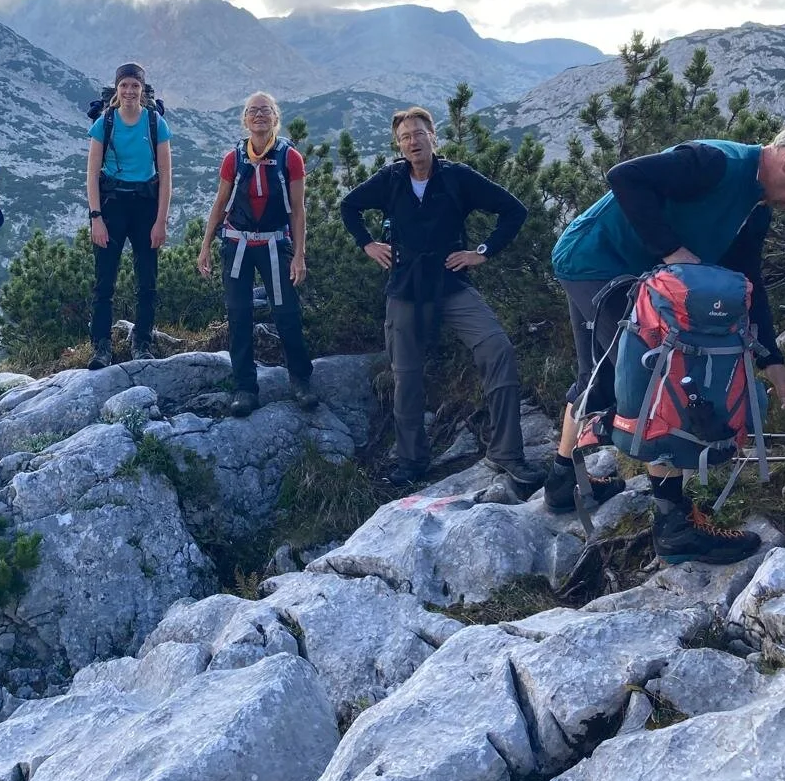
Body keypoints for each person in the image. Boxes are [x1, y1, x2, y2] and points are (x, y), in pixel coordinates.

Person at [547, 121, 785, 564]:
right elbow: (625, 177)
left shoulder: (755, 207)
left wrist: (772, 359)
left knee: (597, 376)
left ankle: (562, 482)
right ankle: (674, 526)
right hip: (596, 262)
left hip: (618, 268)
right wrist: (672, 251)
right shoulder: (715, 162)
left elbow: (749, 281)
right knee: (659, 373)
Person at [340, 106, 546, 492]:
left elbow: (513, 211)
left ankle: (506, 453)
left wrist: (481, 252)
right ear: (398, 145)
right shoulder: (391, 179)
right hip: (405, 286)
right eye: (405, 137)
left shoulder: (457, 177)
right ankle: (411, 460)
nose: (412, 142)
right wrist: (368, 244)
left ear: (433, 137)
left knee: (497, 348)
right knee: (406, 376)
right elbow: (349, 206)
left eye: (418, 134)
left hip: (451, 284)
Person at [197, 91, 313, 416]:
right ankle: (245, 388)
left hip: (277, 244)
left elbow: (298, 211)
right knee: (238, 315)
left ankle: (301, 381)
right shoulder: (233, 158)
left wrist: (300, 254)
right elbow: (220, 204)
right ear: (245, 119)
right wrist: (205, 245)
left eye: (265, 110)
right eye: (252, 111)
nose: (259, 115)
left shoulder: (290, 158)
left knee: (287, 313)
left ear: (275, 118)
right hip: (237, 245)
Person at [87, 61, 174, 367]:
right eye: (124, 85)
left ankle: (143, 343)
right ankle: (100, 348)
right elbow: (92, 174)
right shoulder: (104, 123)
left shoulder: (155, 123)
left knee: (147, 280)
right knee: (104, 282)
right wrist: (95, 217)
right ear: (117, 88)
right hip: (111, 206)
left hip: (145, 206)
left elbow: (165, 175)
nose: (129, 91)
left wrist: (160, 221)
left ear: (142, 90)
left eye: (134, 85)